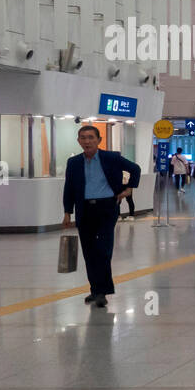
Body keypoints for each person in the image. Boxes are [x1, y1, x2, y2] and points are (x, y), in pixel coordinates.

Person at [61, 125, 140, 308]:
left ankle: (103, 291)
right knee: (89, 252)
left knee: (103, 250)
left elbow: (135, 169)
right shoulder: (73, 163)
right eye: (83, 138)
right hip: (84, 210)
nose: (87, 141)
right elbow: (69, 188)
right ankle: (95, 290)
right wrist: (67, 212)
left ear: (99, 140)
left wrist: (129, 189)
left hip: (106, 208)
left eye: (90, 137)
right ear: (79, 141)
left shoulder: (111, 158)